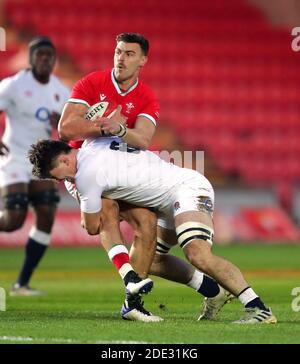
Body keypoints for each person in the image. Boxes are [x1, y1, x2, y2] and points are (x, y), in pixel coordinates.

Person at [58, 32, 232, 321]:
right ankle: (130, 280)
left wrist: (121, 131)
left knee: (147, 223)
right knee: (108, 211)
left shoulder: (146, 96)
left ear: (142, 61)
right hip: (85, 168)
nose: (120, 58)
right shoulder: (91, 83)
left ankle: (134, 304)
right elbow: (66, 129)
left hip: (120, 169)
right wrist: (103, 127)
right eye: (118, 52)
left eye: (128, 54)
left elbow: (143, 138)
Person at [29, 138, 278, 325]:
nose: (63, 182)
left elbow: (94, 226)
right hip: (166, 199)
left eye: (58, 177)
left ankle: (259, 308)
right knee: (153, 261)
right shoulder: (96, 142)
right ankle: (214, 292)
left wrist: (87, 205)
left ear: (64, 161)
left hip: (187, 188)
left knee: (197, 253)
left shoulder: (85, 177)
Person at [0, 36, 70, 296]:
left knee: (46, 214)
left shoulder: (61, 91)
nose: (45, 59)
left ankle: (22, 283)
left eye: (49, 55)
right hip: (15, 157)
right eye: (40, 55)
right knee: (13, 218)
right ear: (30, 59)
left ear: (54, 60)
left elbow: (71, 129)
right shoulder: (13, 86)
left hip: (41, 162)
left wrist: (61, 126)